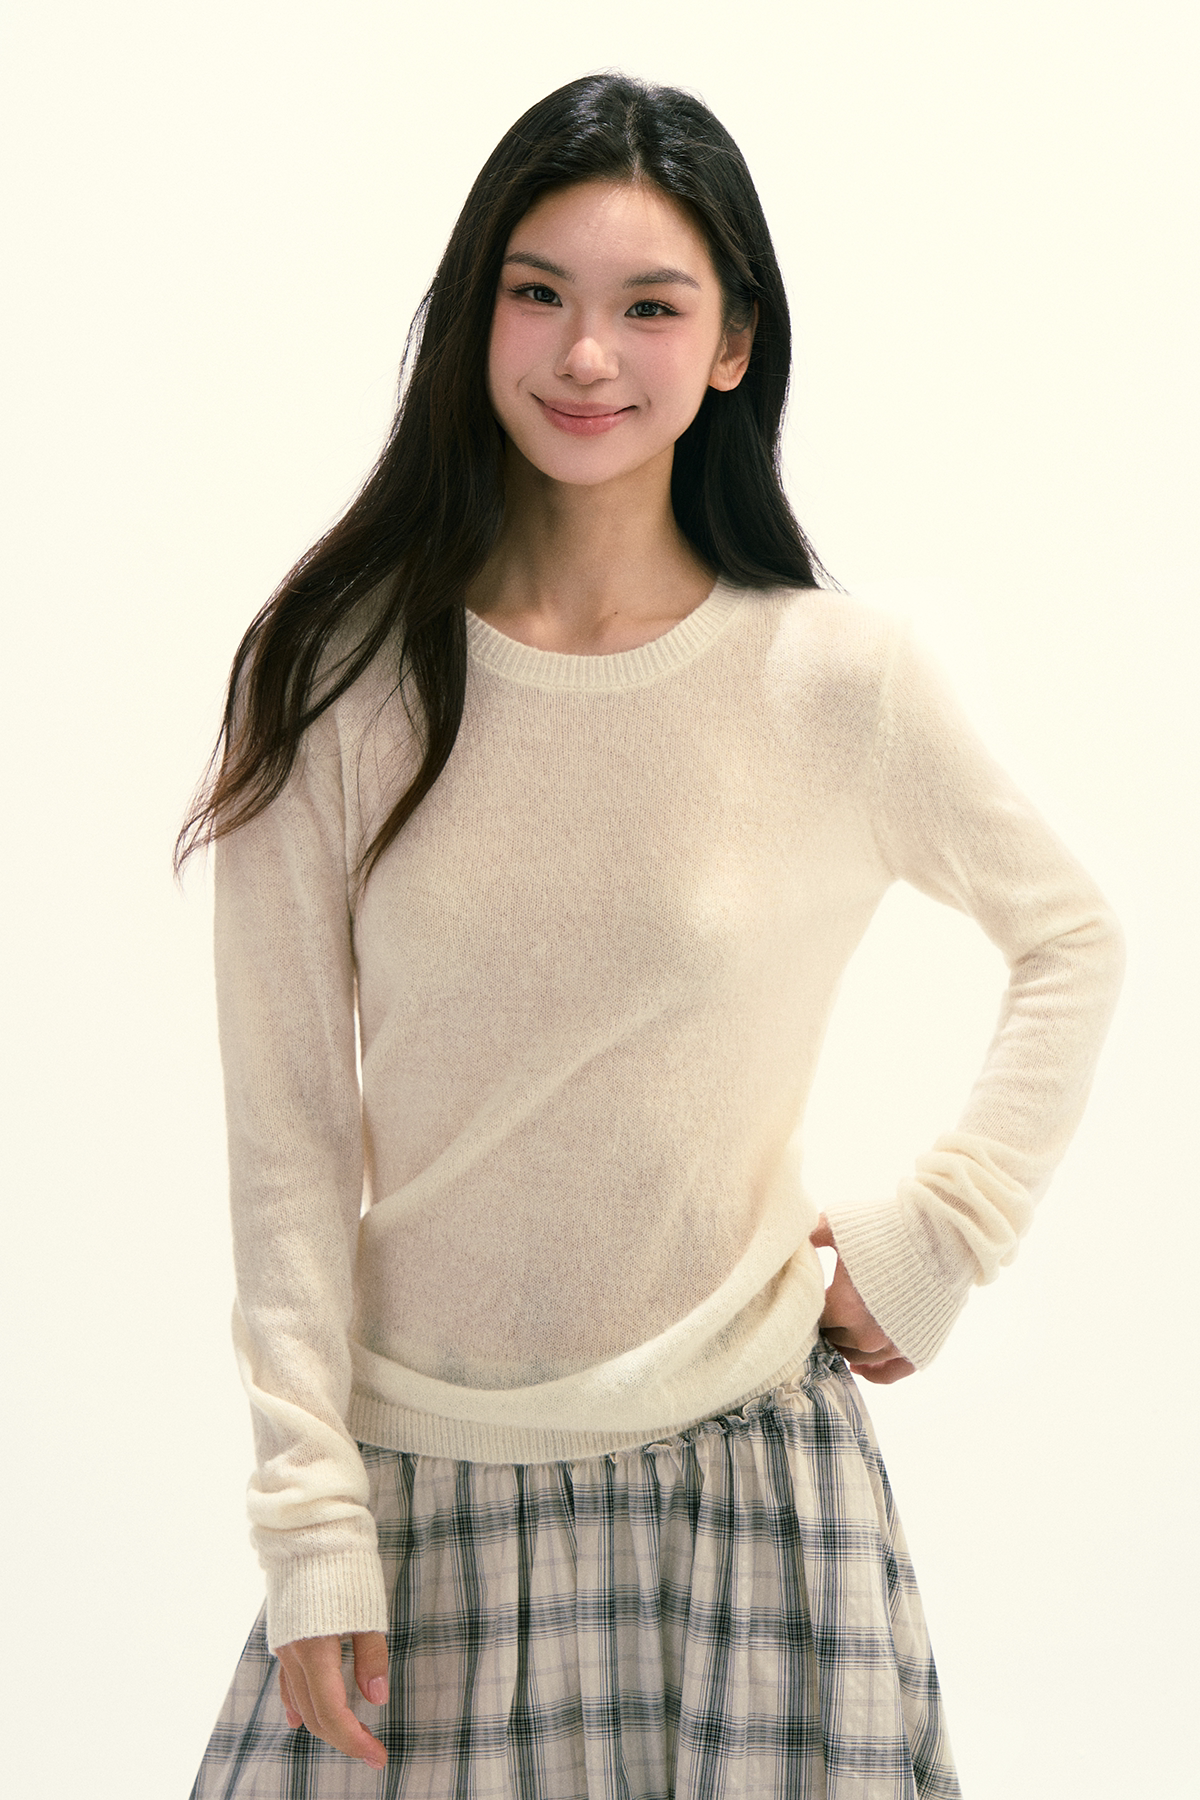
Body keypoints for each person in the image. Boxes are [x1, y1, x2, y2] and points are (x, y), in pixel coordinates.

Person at [182, 72, 1123, 1800]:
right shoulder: (334, 676)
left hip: (751, 1501)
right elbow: (289, 1140)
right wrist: (311, 1522)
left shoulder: (838, 680)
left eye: (650, 307)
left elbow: (1071, 939)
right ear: (475, 314)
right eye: (536, 292)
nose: (584, 355)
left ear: (735, 344)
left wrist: (943, 1231)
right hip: (423, 1505)